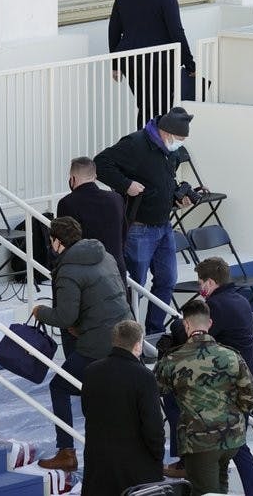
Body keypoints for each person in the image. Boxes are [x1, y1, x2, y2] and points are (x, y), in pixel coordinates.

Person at [33, 216, 131, 471]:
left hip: (98, 343)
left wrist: (39, 311)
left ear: (56, 242)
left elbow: (65, 316)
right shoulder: (104, 254)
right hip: (126, 334)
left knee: (60, 387)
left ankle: (66, 452)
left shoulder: (68, 269)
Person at [162, 257, 253, 495]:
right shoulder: (241, 300)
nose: (200, 288)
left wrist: (181, 324)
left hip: (231, 388)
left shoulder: (216, 306)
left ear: (209, 282)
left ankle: (184, 461)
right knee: (237, 447)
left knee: (239, 448)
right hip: (246, 384)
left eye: (200, 282)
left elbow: (191, 333)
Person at [94, 105, 194, 334]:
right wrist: (126, 184)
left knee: (167, 280)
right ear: (166, 132)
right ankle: (128, 334)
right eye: (179, 138)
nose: (180, 143)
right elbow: (100, 163)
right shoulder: (135, 144)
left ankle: (154, 330)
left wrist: (177, 197)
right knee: (134, 285)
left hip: (164, 224)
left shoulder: (172, 152)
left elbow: (165, 180)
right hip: (139, 227)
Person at [109, 0, 196, 129]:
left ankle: (144, 141)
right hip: (160, 62)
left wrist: (115, 64)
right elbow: (176, 32)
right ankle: (153, 147)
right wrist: (190, 64)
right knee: (162, 108)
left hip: (131, 61)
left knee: (144, 105)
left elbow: (114, 30)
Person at [81, 320, 164, 495]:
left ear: (114, 341)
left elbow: (86, 411)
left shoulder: (91, 371)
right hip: (135, 469)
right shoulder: (144, 377)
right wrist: (157, 455)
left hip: (97, 464)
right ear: (138, 344)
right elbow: (153, 426)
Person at [56, 156, 127, 271]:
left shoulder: (67, 203)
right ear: (95, 177)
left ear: (72, 178)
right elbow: (123, 233)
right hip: (116, 269)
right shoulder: (116, 199)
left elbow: (63, 243)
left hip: (86, 274)